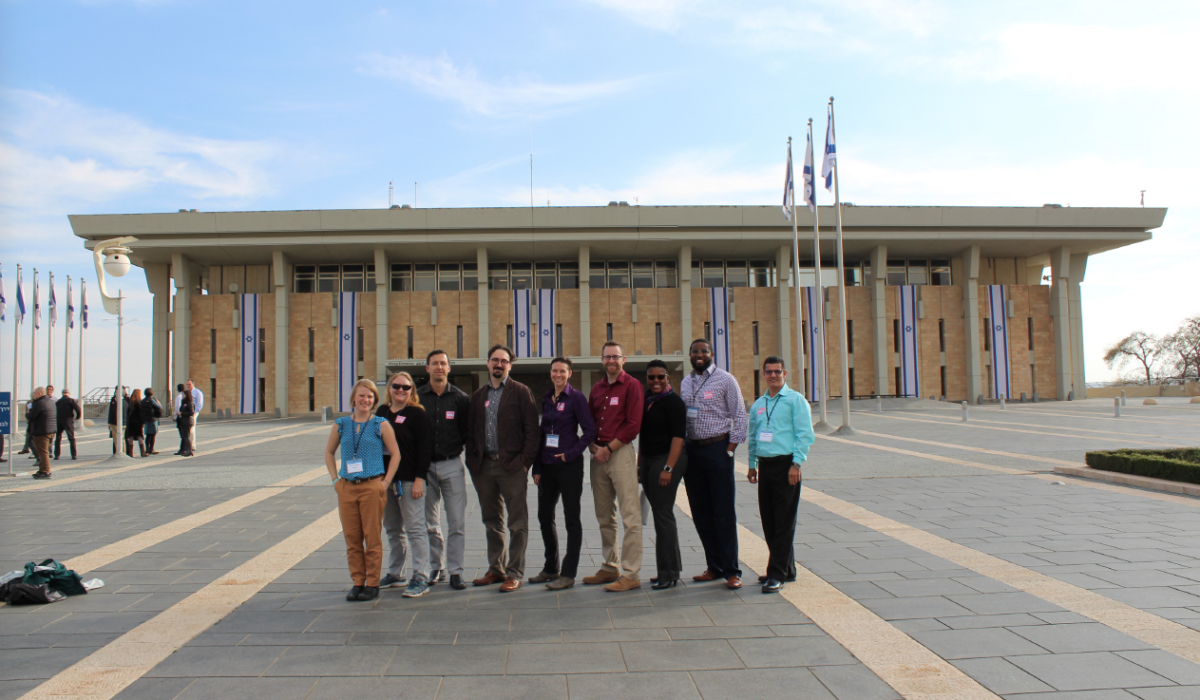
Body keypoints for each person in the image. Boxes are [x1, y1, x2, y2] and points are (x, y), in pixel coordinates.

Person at [464, 344, 540, 592]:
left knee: (517, 522)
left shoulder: (521, 391)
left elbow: (532, 430)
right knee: (491, 520)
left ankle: (514, 572)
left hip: (512, 467)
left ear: (510, 365)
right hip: (483, 467)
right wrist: (472, 460)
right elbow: (470, 431)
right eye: (495, 360)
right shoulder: (478, 396)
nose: (499, 364)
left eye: (503, 361)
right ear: (488, 363)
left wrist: (524, 463)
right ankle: (495, 569)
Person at [682, 337, 749, 589]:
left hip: (718, 449)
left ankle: (732, 570)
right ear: (690, 355)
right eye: (695, 351)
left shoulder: (726, 379)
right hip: (693, 452)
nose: (699, 355)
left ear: (711, 353)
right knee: (700, 512)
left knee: (723, 512)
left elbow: (740, 415)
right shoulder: (686, 382)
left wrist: (730, 449)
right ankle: (714, 566)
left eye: (704, 351)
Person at [324, 378, 400, 602]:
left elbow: (395, 454)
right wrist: (334, 480)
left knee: (372, 536)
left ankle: (372, 582)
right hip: (347, 487)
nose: (365, 400)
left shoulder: (380, 423)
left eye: (370, 396)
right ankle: (358, 581)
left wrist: (385, 483)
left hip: (371, 486)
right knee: (352, 538)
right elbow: (329, 452)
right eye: (361, 396)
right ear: (353, 399)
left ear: (374, 400)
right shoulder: (341, 424)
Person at [747, 356, 815, 594]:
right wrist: (752, 464)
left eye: (777, 371)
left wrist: (797, 464)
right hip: (765, 467)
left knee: (784, 521)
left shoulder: (795, 400)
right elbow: (754, 437)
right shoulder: (758, 404)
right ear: (763, 374)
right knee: (769, 520)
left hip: (787, 466)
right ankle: (787, 568)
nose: (773, 375)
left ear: (784, 374)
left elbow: (805, 435)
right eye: (769, 372)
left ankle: (776, 574)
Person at [530, 357, 596, 590]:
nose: (558, 374)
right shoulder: (547, 398)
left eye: (562, 371)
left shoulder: (576, 398)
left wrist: (572, 453)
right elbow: (542, 433)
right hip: (547, 465)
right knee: (544, 517)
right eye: (554, 371)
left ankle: (568, 573)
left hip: (569, 466)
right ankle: (551, 568)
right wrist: (536, 467)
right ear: (550, 373)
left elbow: (589, 431)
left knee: (571, 519)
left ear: (569, 373)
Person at [585, 341, 645, 592]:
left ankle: (631, 573)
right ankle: (611, 566)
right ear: (601, 360)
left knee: (630, 515)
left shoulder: (632, 386)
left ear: (624, 359)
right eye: (607, 357)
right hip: (597, 455)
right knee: (604, 515)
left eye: (615, 357)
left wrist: (608, 449)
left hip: (619, 454)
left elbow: (633, 425)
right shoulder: (597, 389)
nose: (611, 360)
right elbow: (588, 420)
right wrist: (593, 447)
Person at [416, 349, 472, 590]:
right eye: (434, 364)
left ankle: (456, 571)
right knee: (430, 521)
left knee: (457, 522)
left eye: (443, 364)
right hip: (424, 467)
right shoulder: (416, 398)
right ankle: (435, 567)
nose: (439, 367)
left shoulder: (461, 399)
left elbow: (468, 432)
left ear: (449, 368)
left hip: (451, 465)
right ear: (427, 368)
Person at [376, 371, 433, 598]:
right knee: (392, 528)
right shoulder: (381, 412)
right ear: (389, 388)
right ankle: (395, 572)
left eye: (406, 387)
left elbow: (425, 449)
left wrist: (420, 479)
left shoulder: (417, 414)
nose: (401, 390)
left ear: (412, 391)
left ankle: (421, 575)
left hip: (409, 480)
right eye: (396, 386)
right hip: (385, 480)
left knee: (415, 528)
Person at [639, 359, 688, 590]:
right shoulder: (647, 401)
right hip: (649, 461)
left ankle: (668, 573)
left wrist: (668, 468)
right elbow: (644, 437)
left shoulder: (674, 402)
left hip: (666, 461)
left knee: (663, 513)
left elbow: (679, 437)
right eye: (652, 377)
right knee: (660, 515)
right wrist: (640, 465)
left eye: (661, 377)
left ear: (667, 378)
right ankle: (668, 569)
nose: (656, 381)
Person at [27, 387, 55, 479]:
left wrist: (27, 413)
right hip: (51, 430)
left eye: (34, 394)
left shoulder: (39, 403)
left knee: (43, 453)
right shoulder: (50, 402)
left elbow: (32, 416)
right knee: (44, 452)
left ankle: (45, 472)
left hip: (42, 431)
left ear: (39, 394)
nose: (33, 396)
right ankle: (42, 470)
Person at [175, 379, 205, 454]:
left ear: (193, 384)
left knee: (191, 430)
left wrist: (195, 412)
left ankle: (192, 445)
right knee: (187, 431)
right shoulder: (185, 393)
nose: (188, 386)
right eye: (187, 384)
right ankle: (186, 446)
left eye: (189, 384)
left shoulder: (197, 392)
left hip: (192, 412)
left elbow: (199, 403)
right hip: (185, 413)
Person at [54, 389, 82, 460]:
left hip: (59, 420)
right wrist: (77, 417)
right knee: (71, 438)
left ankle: (57, 455)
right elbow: (78, 409)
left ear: (62, 393)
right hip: (68, 420)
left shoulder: (58, 402)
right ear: (68, 393)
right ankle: (74, 455)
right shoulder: (71, 400)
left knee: (58, 438)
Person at [141, 388, 164, 455]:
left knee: (148, 435)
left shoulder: (142, 401)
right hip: (153, 419)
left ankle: (147, 449)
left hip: (146, 419)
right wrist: (158, 402)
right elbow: (159, 407)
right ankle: (151, 449)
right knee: (153, 434)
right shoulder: (152, 400)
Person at [125, 388, 147, 457]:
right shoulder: (139, 403)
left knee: (130, 437)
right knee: (140, 436)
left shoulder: (129, 402)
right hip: (137, 422)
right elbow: (141, 413)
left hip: (130, 422)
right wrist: (143, 422)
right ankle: (142, 452)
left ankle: (130, 453)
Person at [176, 384, 195, 457]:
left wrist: (182, 413)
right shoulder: (184, 403)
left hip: (187, 422)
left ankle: (189, 450)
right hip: (183, 421)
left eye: (184, 394)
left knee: (186, 436)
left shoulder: (189, 403)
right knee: (184, 436)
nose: (183, 396)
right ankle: (186, 450)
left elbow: (191, 412)